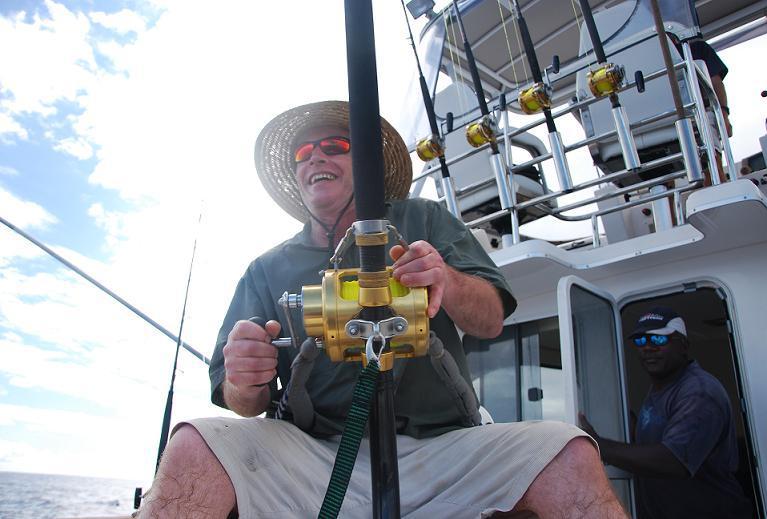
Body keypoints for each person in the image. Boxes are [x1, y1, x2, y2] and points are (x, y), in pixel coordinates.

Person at [137, 101, 626, 518]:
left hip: (445, 447)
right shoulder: (266, 269)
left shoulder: (423, 218)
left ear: (366, 162)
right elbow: (240, 398)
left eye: (335, 146)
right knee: (192, 446)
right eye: (304, 153)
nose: (316, 158)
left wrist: (445, 279)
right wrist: (245, 379)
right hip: (314, 451)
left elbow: (491, 318)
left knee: (569, 450)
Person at [579, 306, 752, 519]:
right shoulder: (662, 388)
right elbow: (658, 440)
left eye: (658, 340)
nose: (648, 348)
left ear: (683, 345)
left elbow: (673, 461)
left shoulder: (699, 391)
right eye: (641, 341)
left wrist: (600, 446)